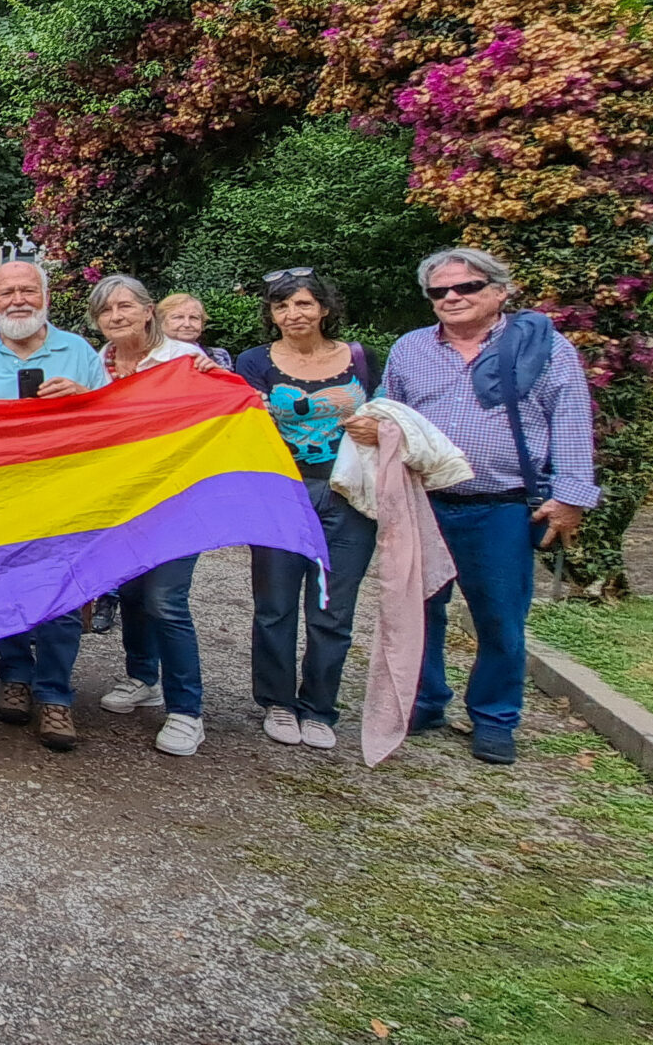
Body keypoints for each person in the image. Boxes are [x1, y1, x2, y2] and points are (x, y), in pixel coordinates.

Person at [360, 246, 598, 766]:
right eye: (439, 291)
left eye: (464, 287)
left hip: (503, 506)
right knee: (419, 608)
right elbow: (391, 413)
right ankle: (422, 703)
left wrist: (572, 497)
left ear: (499, 291)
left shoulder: (545, 348)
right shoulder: (411, 349)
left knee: (499, 618)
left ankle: (494, 717)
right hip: (425, 501)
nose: (451, 298)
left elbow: (572, 422)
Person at [0, 260, 106, 751]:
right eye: (7, 291)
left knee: (60, 599)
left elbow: (114, 422)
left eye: (28, 290)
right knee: (4, 590)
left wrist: (84, 399)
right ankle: (15, 675)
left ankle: (55, 696)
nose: (18, 300)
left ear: (45, 296)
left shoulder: (77, 351)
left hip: (61, 497)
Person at [236, 269, 380, 751]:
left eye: (301, 304)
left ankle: (320, 707)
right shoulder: (254, 361)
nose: (292, 315)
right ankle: (278, 701)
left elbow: (391, 416)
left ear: (323, 308)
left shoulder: (359, 358)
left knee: (333, 607)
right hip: (280, 494)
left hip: (346, 494)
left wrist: (379, 430)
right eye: (281, 307)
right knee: (274, 605)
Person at [87, 274, 213, 757]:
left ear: (148, 311)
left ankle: (187, 711)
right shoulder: (100, 364)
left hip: (177, 501)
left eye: (124, 307)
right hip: (121, 501)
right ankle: (144, 678)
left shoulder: (185, 361)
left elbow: (229, 408)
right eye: (105, 312)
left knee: (166, 599)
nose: (116, 317)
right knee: (135, 592)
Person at [158, 293, 234, 370]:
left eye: (193, 318)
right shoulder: (152, 355)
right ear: (161, 322)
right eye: (178, 317)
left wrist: (217, 372)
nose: (187, 324)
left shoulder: (217, 356)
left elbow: (230, 381)